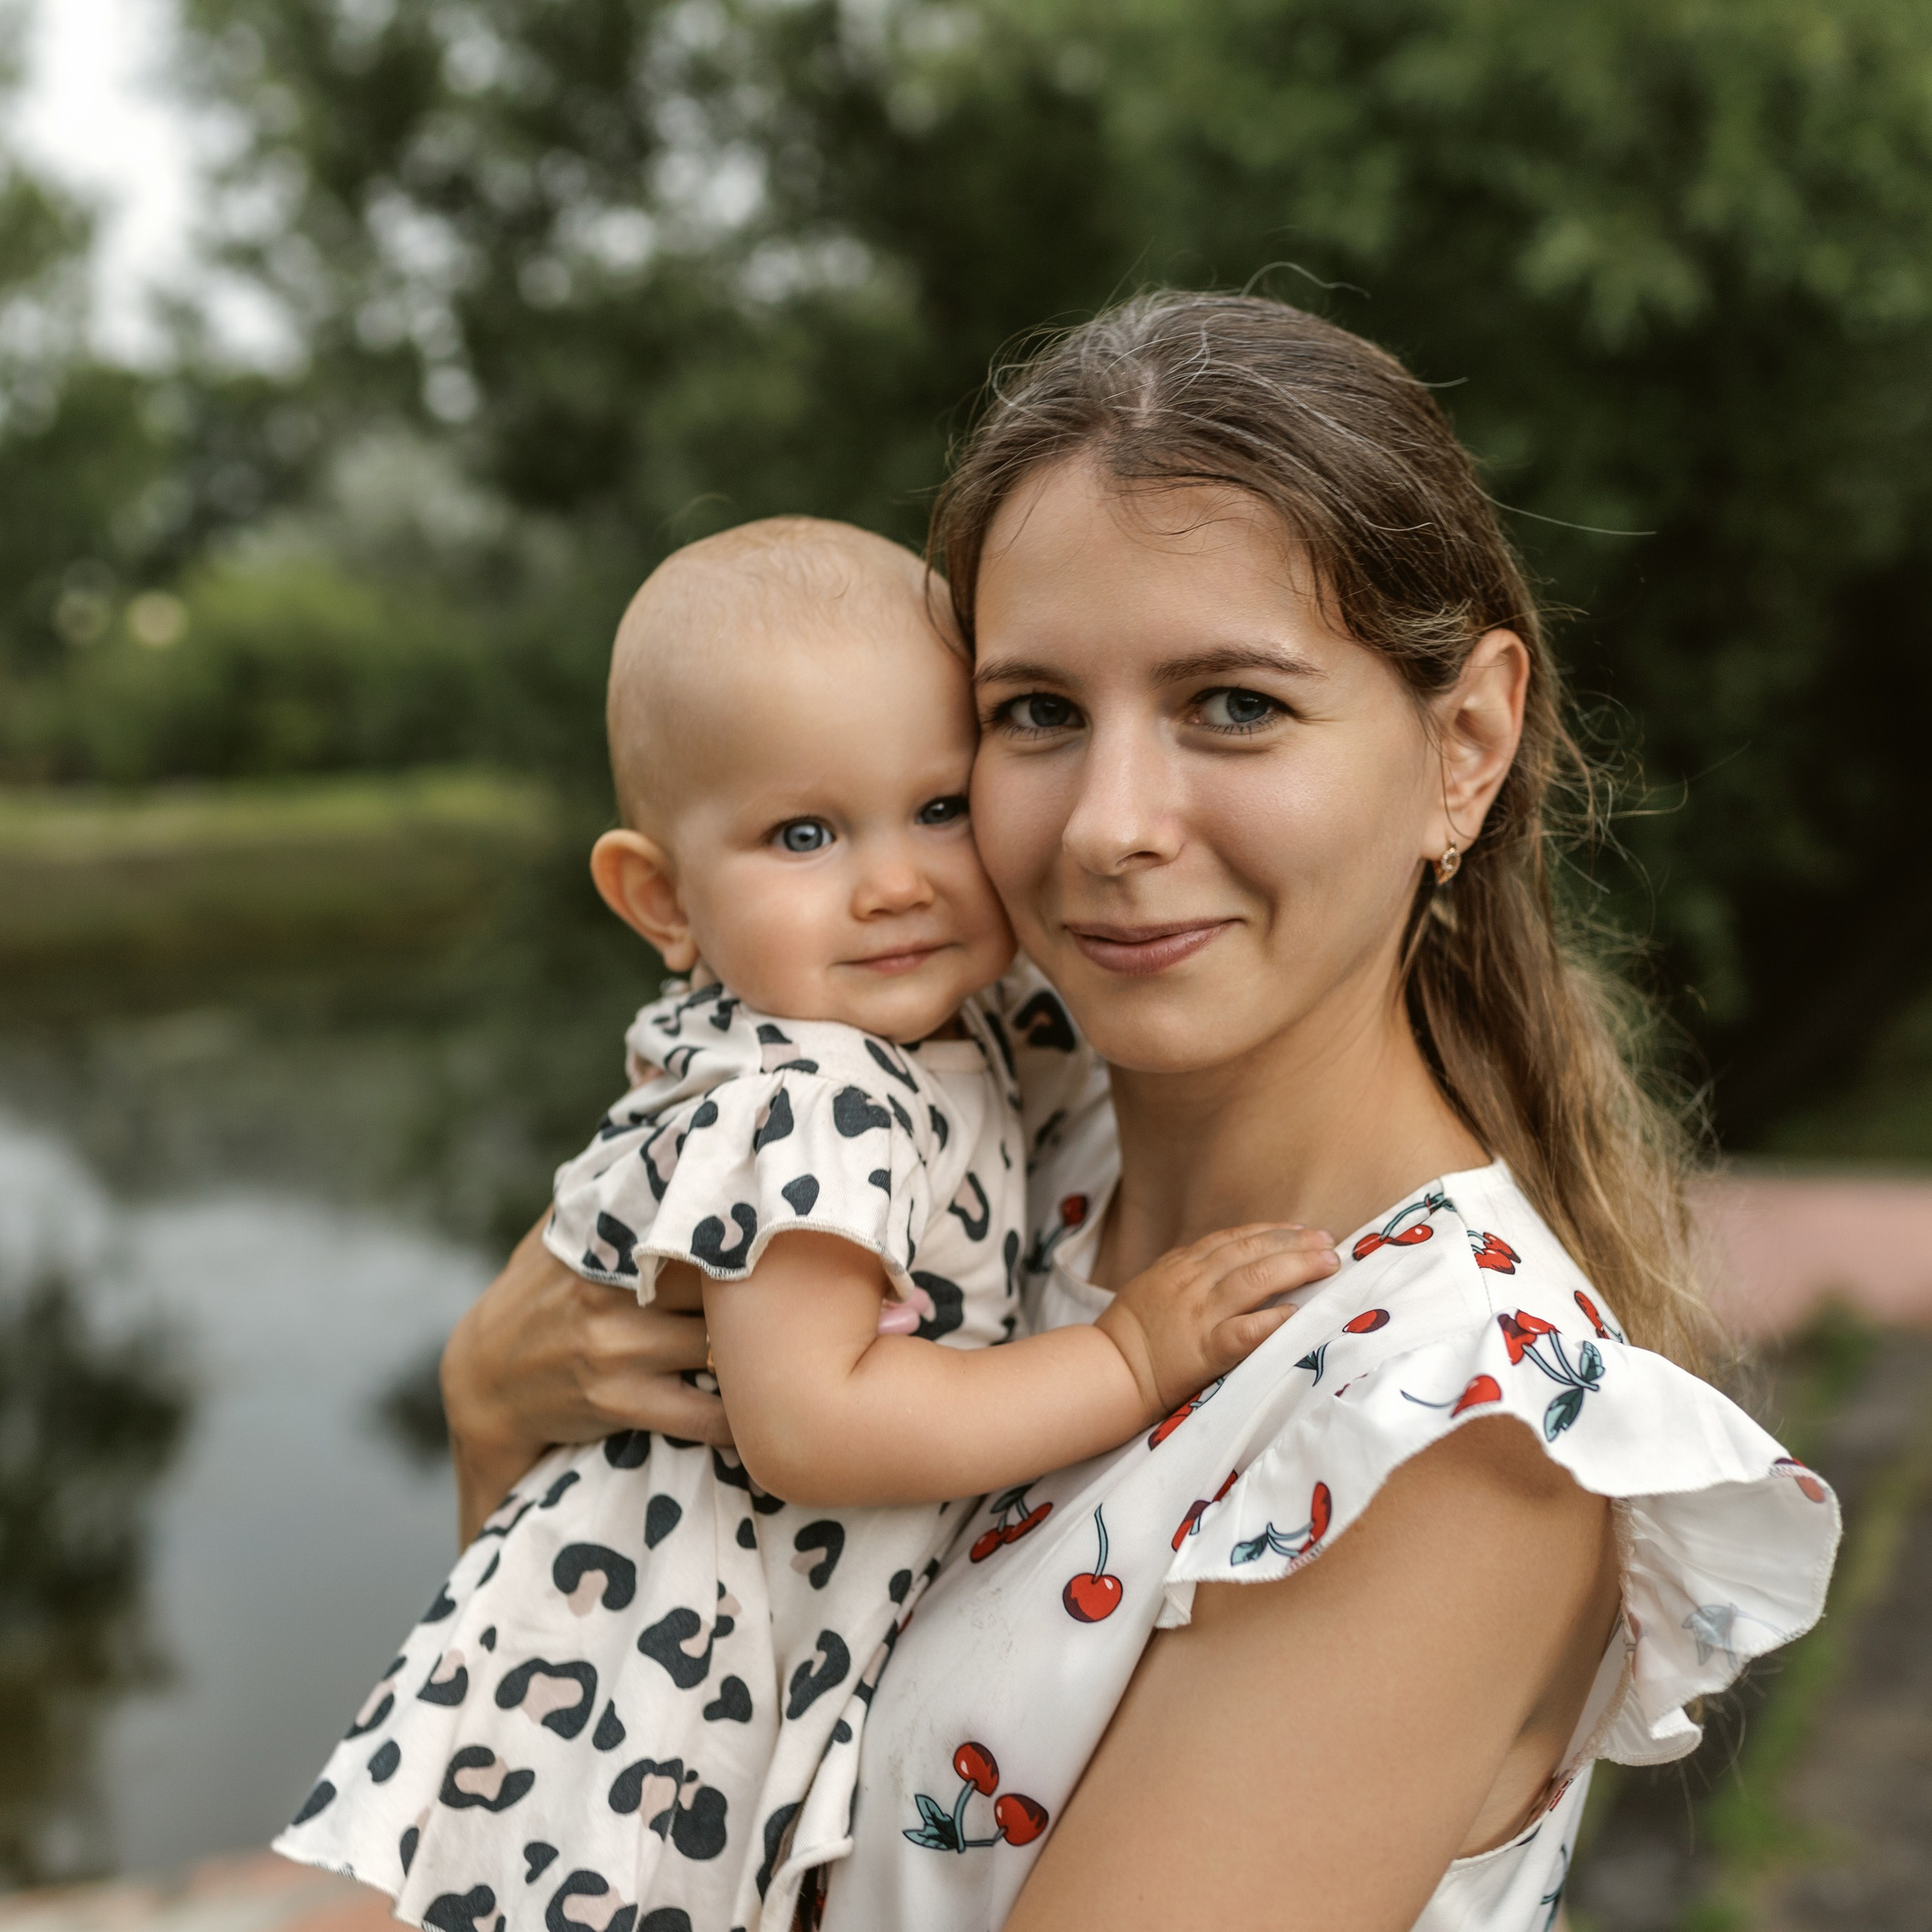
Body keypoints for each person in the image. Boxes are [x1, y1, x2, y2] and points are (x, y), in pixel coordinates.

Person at [436, 296, 1841, 1931]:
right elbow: (577, 1761)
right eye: (1034, 711)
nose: (1108, 824)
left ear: (1462, 745)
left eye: (1231, 703)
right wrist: (489, 1409)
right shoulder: (973, 1145)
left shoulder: (1446, 1427)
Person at [274, 516, 1338, 1932]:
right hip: (644, 1719)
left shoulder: (943, 1032)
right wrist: (1132, 1362)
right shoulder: (813, 1095)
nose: (894, 880)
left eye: (942, 808)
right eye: (805, 834)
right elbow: (816, 1423)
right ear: (661, 899)